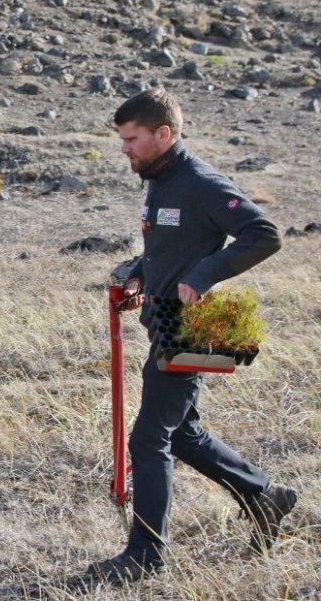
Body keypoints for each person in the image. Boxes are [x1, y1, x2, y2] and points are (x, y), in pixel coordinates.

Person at [87, 89, 297, 584]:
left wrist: (204, 276)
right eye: (121, 139)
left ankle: (145, 554)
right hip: (161, 325)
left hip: (184, 329)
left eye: (132, 139)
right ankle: (265, 495)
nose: (124, 150)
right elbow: (167, 243)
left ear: (164, 134)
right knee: (182, 432)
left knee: (150, 438)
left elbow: (264, 233)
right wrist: (141, 272)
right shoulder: (160, 180)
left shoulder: (200, 182)